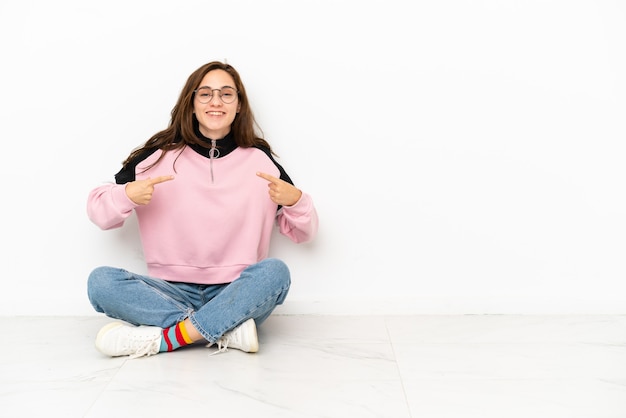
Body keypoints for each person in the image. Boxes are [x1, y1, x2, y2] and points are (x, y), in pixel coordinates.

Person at [86, 61, 318, 358]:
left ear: (239, 105)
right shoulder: (156, 156)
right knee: (101, 282)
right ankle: (224, 330)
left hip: (236, 292)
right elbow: (99, 214)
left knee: (275, 273)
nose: (216, 102)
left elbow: (304, 233)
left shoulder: (260, 159)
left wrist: (295, 199)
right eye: (205, 94)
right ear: (191, 103)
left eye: (226, 94)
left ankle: (165, 339)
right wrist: (126, 195)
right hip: (168, 292)